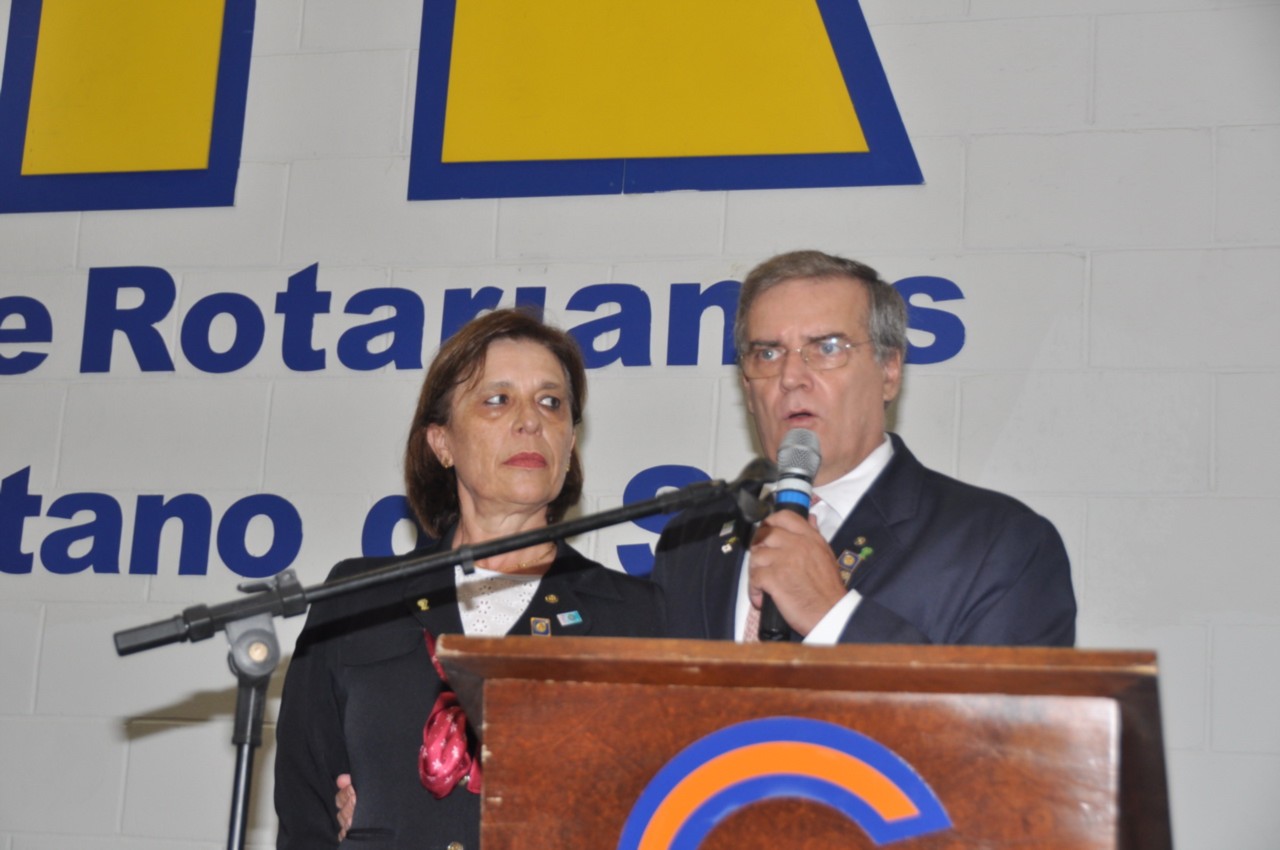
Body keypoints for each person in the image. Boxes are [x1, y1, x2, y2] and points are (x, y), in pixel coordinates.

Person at [274, 309, 664, 849]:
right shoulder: (358, 600)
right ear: (442, 443)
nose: (530, 421)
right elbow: (306, 817)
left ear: (570, 441)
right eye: (497, 400)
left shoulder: (638, 617)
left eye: (551, 402)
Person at [652, 250, 1076, 646]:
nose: (791, 377)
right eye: (767, 353)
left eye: (827, 348)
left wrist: (832, 616)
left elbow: (1004, 704)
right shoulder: (693, 539)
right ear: (747, 387)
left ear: (889, 370)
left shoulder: (999, 543)